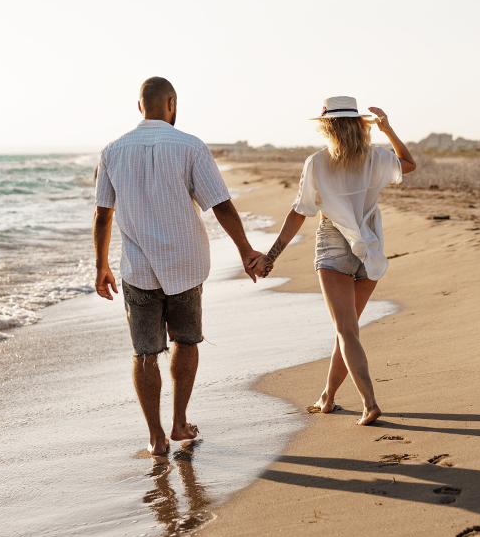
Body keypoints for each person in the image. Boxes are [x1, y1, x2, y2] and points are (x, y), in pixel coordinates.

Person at [92, 77, 264, 455]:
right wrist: (246, 250)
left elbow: (104, 215)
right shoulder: (190, 146)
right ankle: (179, 423)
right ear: (171, 103)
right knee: (186, 340)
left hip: (137, 269)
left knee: (144, 353)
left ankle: (155, 437)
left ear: (140, 107)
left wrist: (101, 265)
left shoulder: (112, 151)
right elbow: (220, 204)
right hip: (184, 265)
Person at [251, 96, 416, 425]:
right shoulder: (376, 157)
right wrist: (388, 129)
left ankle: (369, 402)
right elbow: (408, 164)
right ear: (359, 125)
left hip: (334, 245)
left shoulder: (317, 162)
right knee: (348, 331)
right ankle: (328, 396)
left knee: (346, 331)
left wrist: (270, 257)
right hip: (370, 245)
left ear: (327, 127)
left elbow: (299, 212)